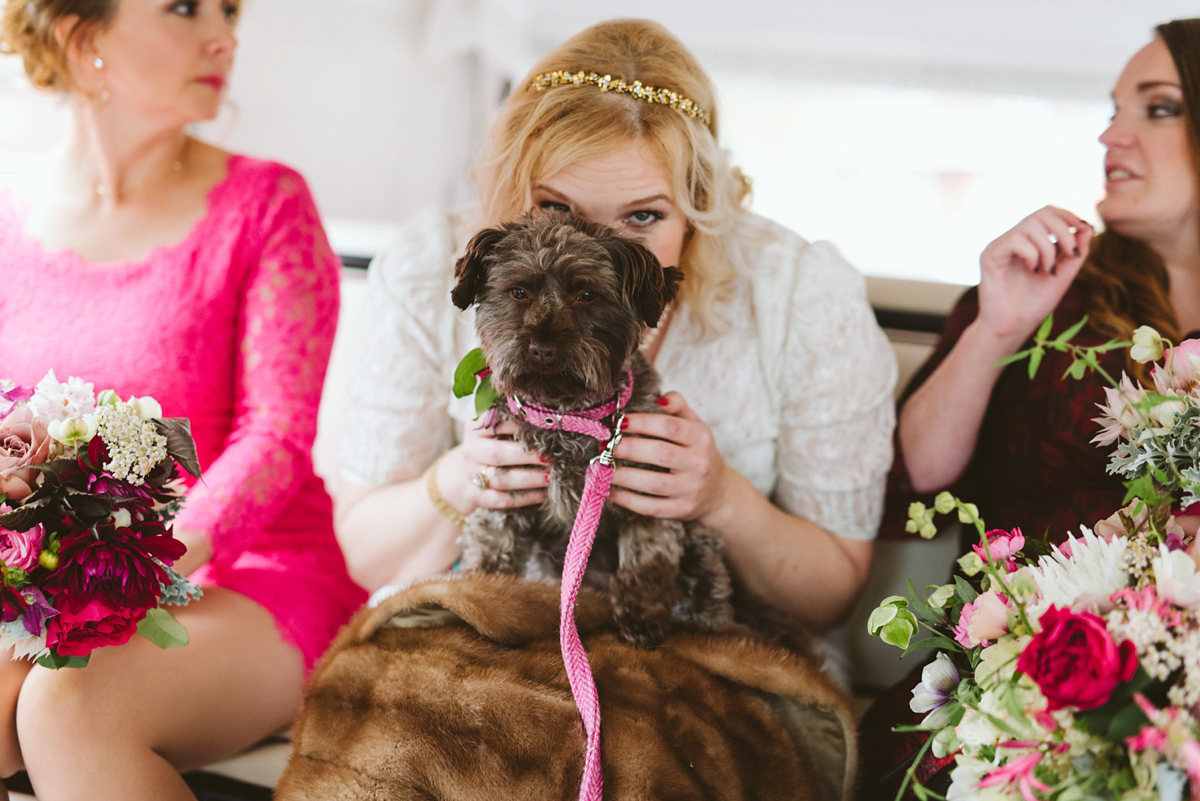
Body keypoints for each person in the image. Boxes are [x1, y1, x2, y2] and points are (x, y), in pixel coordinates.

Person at [337, 18, 897, 683]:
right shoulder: (429, 266)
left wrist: (721, 498)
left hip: (707, 660)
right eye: (555, 207)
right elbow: (367, 555)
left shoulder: (798, 293)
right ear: (512, 188)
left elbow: (831, 593)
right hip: (489, 647)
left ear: (698, 207)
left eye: (642, 217)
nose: (597, 251)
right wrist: (459, 479)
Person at [0, 1, 366, 798]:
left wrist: (124, 573)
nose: (225, 35)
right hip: (50, 578)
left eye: (230, 10)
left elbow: (275, 435)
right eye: (183, 7)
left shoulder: (268, 205)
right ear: (80, 33)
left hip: (252, 573)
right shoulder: (6, 215)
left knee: (67, 704)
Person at [860, 18, 1200, 799]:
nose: (1112, 134)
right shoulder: (1047, 293)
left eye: (1157, 107)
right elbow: (907, 479)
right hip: (1011, 674)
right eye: (1112, 109)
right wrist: (999, 326)